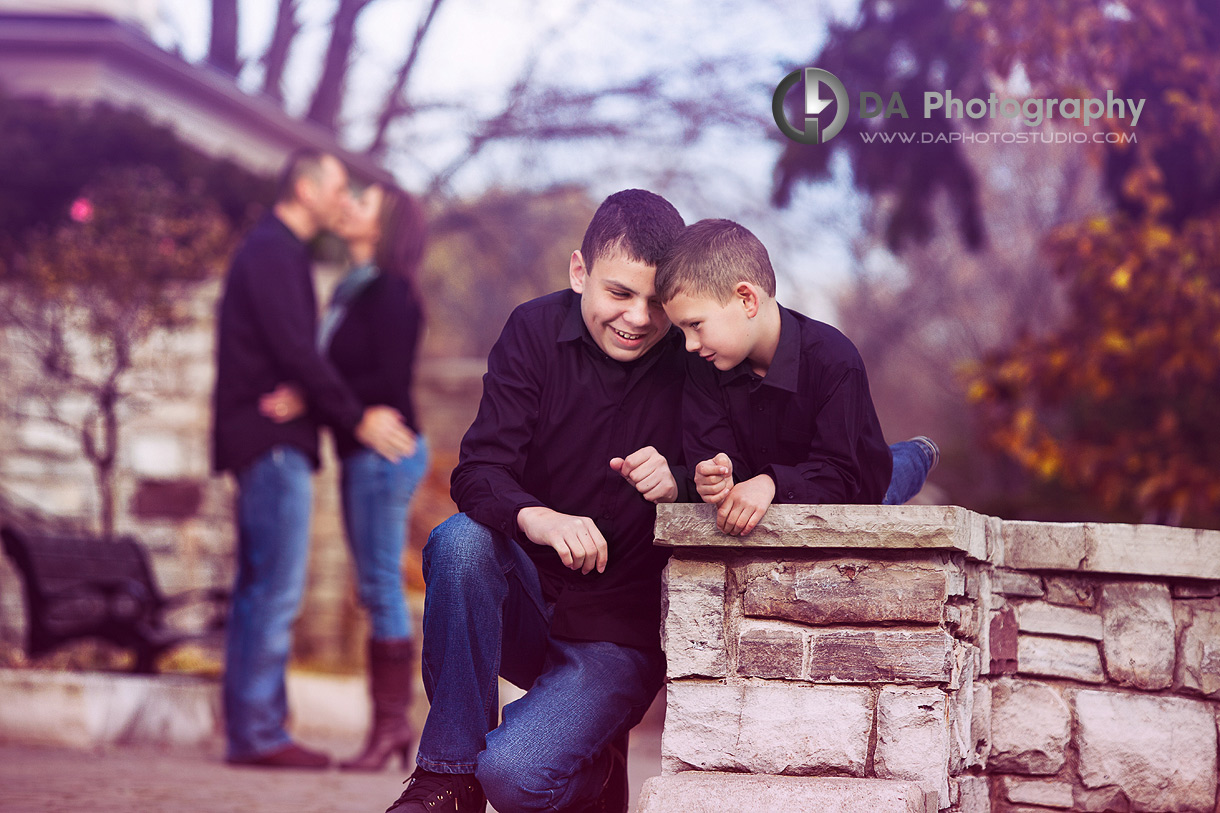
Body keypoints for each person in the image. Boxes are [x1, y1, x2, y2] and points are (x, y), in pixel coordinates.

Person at [382, 189, 688, 813]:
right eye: (619, 293)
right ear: (580, 272)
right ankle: (447, 779)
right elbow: (479, 470)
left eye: (657, 301)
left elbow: (748, 454)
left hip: (618, 636)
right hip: (525, 604)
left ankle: (594, 770)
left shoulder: (696, 356)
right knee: (460, 540)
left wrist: (680, 479)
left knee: (517, 778)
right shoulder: (533, 329)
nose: (637, 317)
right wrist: (539, 519)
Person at [212, 150, 416, 769]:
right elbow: (298, 351)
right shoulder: (276, 253)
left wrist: (314, 394)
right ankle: (260, 733)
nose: (342, 198)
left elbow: (314, 359)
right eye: (335, 187)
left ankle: (255, 729)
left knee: (264, 589)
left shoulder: (295, 259)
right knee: (272, 591)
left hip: (282, 442)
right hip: (271, 444)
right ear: (304, 188)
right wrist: (348, 413)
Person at [260, 183, 430, 771]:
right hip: (365, 453)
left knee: (380, 585)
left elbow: (385, 382)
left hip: (386, 453)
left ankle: (390, 730)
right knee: (373, 586)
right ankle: (391, 729)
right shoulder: (351, 289)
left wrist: (315, 397)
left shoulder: (392, 293)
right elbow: (340, 373)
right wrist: (312, 394)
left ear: (382, 228)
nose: (350, 205)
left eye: (363, 202)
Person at [655, 218, 939, 537]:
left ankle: (920, 452)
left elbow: (841, 475)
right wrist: (716, 478)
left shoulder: (835, 359)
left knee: (893, 471)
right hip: (774, 496)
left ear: (747, 299)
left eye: (695, 325)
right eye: (681, 330)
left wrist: (770, 484)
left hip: (859, 491)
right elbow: (713, 455)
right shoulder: (704, 363)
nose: (690, 344)